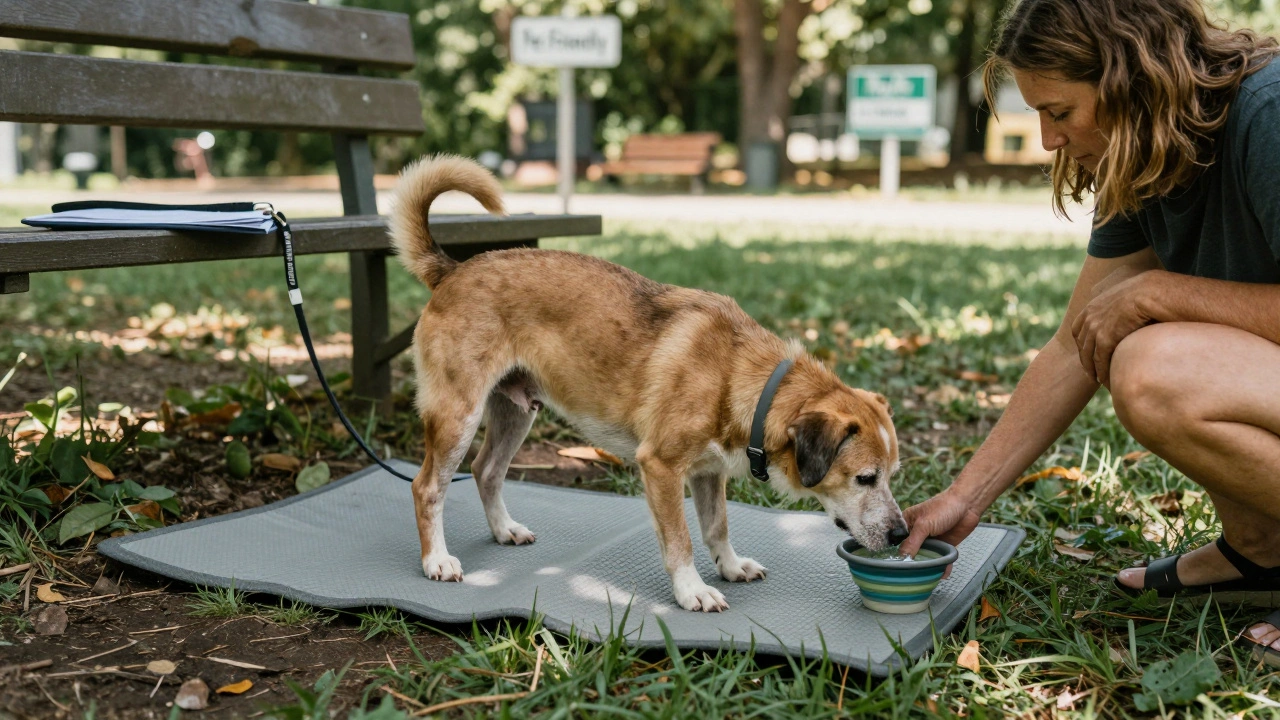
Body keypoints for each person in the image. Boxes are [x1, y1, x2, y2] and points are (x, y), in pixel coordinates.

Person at [899, 0, 1280, 667]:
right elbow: (1077, 342)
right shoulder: (1146, 153)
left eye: (1059, 112)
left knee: (1157, 366)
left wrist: (1163, 290)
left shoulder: (1268, 116)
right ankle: (1261, 550)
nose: (1048, 141)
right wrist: (966, 499)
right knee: (1137, 343)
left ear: (1128, 78)